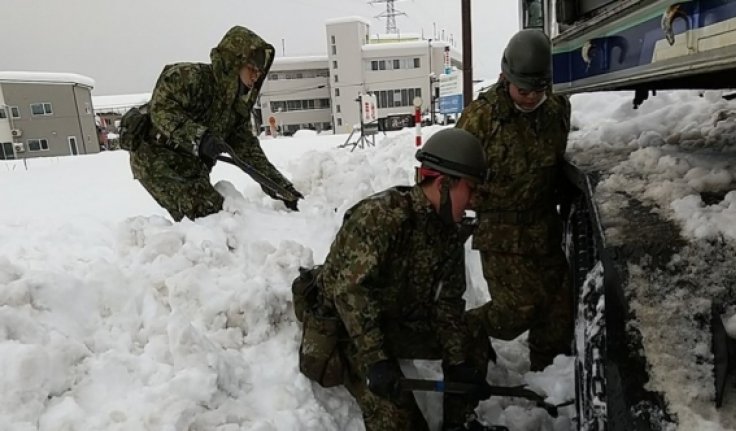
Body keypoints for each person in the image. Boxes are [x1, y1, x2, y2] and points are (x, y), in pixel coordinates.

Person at [318, 128, 494, 431]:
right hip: (351, 328)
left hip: (397, 318)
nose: (474, 201)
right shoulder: (381, 217)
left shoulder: (447, 229)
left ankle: (459, 421)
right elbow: (350, 294)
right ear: (444, 184)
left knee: (472, 336)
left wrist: (458, 363)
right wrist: (377, 361)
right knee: (399, 419)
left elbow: (447, 304)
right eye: (471, 189)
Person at [456, 29, 574, 371]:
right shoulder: (479, 119)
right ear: (505, 77)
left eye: (538, 90)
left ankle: (549, 379)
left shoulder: (556, 109)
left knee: (557, 311)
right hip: (500, 229)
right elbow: (453, 175)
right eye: (523, 90)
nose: (529, 98)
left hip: (543, 226)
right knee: (515, 311)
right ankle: (461, 330)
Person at [129, 25, 303, 222]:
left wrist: (284, 190)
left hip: (193, 165)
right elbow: (161, 110)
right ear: (234, 62)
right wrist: (200, 137)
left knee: (219, 217)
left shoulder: (235, 110)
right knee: (208, 216)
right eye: (252, 69)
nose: (256, 76)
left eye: (259, 72)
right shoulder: (190, 78)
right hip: (157, 159)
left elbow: (250, 156)